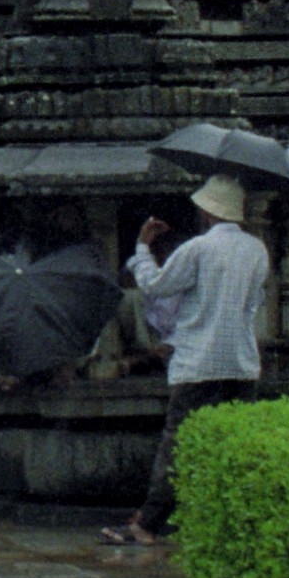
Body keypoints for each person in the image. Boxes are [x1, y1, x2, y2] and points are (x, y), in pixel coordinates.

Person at [104, 174, 270, 547]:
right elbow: (255, 301)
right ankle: (227, 522)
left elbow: (155, 285)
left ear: (208, 212)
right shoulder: (257, 250)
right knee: (234, 445)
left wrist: (143, 249)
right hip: (241, 362)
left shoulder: (199, 249)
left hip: (200, 363)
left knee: (177, 446)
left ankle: (147, 523)